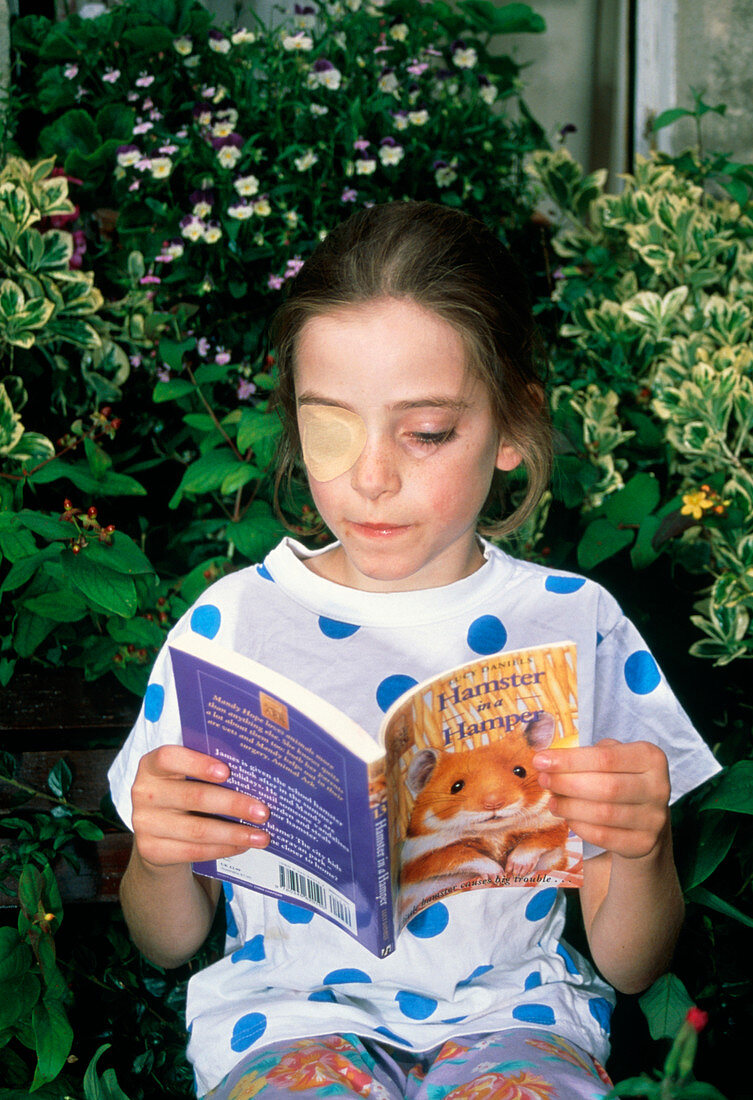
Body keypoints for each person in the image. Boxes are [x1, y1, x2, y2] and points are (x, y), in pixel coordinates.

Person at [108, 201, 720, 1100]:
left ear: (512, 426)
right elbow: (165, 939)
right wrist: (161, 854)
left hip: (519, 1025)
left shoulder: (575, 622)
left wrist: (638, 847)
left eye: (425, 432)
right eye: (329, 426)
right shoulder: (229, 627)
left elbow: (630, 965)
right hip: (283, 1028)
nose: (370, 476)